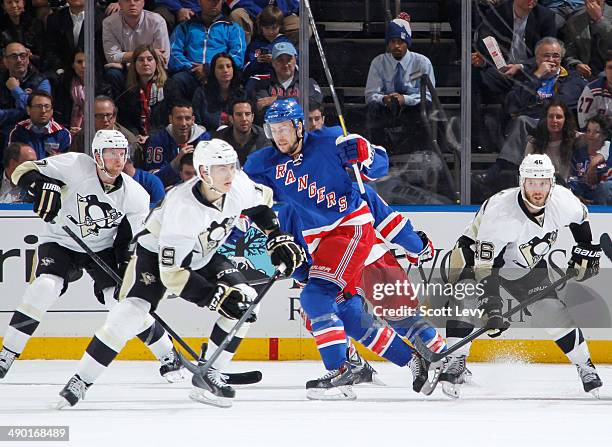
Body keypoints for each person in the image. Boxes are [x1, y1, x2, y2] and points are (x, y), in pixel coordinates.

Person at [57, 138, 305, 408]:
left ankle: (210, 372)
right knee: (128, 314)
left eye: (232, 166)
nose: (229, 174)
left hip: (204, 254)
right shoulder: (182, 209)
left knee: (247, 301)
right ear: (203, 172)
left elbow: (260, 204)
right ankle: (81, 379)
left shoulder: (238, 184)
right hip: (155, 256)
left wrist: (276, 237)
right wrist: (215, 296)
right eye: (220, 168)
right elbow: (173, 275)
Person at [243, 98, 437, 399]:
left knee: (319, 296)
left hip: (351, 230)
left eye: (285, 128)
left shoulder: (332, 140)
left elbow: (379, 166)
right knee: (347, 313)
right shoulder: (265, 164)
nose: (280, 136)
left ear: (298, 126)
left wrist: (365, 152)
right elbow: (241, 196)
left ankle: (342, 370)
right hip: (322, 244)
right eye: (273, 129)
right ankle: (414, 359)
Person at [0, 130, 184, 384]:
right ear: (97, 156)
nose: (118, 160)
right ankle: (7, 353)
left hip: (103, 250)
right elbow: (21, 171)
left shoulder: (136, 196)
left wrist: (127, 271)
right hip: (61, 242)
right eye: (111, 153)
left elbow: (131, 242)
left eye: (122, 153)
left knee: (122, 304)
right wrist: (43, 185)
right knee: (44, 287)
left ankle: (167, 354)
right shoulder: (75, 165)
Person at [441, 153, 603, 398]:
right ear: (521, 182)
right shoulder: (501, 213)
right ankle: (455, 359)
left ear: (552, 183)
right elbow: (486, 266)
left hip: (523, 262)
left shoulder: (564, 201)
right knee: (466, 293)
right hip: (476, 254)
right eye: (531, 182)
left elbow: (581, 220)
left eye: (543, 183)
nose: (537, 190)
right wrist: (492, 309)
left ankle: (585, 366)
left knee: (550, 310)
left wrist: (585, 251)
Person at [364, 15, 435, 153]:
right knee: (372, 108)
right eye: (392, 41)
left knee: (426, 108)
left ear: (407, 42)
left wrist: (405, 99)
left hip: (412, 110)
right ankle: (377, 152)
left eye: (401, 41)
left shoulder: (422, 63)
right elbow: (370, 94)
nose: (396, 46)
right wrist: (384, 99)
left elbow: (428, 96)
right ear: (388, 43)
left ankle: (421, 152)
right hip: (387, 109)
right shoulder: (378, 63)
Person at [167, 0, 246, 103]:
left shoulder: (233, 27)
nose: (214, 3)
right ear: (199, 2)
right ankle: (179, 117)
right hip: (191, 74)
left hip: (220, 76)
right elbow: (173, 53)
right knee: (176, 81)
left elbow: (238, 56)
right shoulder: (185, 26)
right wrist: (193, 69)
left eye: (217, 1)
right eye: (209, 0)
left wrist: (210, 68)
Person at [102, 0, 170, 98]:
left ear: (143, 2)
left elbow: (163, 59)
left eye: (137, 0)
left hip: (150, 69)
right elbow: (111, 56)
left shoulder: (157, 21)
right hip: (126, 71)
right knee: (112, 74)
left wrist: (126, 61)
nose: (132, 3)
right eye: (127, 0)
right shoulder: (109, 23)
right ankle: (116, 110)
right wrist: (150, 54)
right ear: (120, 3)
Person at [140, 100, 210, 187]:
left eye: (187, 118)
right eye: (179, 118)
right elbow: (152, 180)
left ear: (193, 120)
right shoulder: (158, 140)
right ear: (171, 119)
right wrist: (176, 162)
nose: (183, 123)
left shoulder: (204, 140)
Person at [251, 41, 322, 121]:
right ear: (273, 62)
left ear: (295, 59)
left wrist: (276, 99)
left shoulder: (308, 82)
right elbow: (263, 108)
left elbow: (314, 103)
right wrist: (297, 102)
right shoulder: (262, 85)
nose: (285, 64)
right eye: (280, 60)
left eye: (289, 59)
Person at [0, 41, 51, 148]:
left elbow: (39, 111)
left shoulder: (41, 81)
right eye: (14, 56)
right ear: (5, 61)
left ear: (28, 59)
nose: (19, 60)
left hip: (34, 135)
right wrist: (20, 111)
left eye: (22, 56)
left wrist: (16, 90)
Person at [116, 44, 169, 138]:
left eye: (149, 59)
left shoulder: (168, 87)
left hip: (161, 137)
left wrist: (151, 136)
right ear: (134, 64)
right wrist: (136, 135)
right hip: (136, 138)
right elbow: (125, 121)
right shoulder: (127, 91)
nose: (145, 63)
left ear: (156, 63)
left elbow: (169, 120)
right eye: (141, 60)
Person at [524, 98, 580, 183]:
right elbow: (527, 172)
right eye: (550, 116)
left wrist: (598, 158)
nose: (554, 121)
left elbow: (603, 142)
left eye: (559, 117)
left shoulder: (576, 138)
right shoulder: (533, 144)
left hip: (568, 189)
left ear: (565, 119)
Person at [8, 90, 72, 159]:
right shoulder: (18, 132)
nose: (43, 111)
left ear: (52, 110)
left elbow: (66, 163)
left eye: (47, 106)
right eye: (38, 106)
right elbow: (13, 161)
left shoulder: (63, 134)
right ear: (28, 110)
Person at [192, 52, 245, 130]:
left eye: (228, 66)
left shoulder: (241, 93)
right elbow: (196, 123)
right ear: (213, 71)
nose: (225, 70)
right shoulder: (201, 93)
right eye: (220, 67)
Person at [70, 96, 139, 155]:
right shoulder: (82, 137)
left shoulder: (128, 140)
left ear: (114, 117)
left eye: (108, 115)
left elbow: (132, 168)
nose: (105, 120)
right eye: (99, 116)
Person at [242, 5, 293, 84]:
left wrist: (276, 61)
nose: (270, 31)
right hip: (258, 81)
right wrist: (257, 61)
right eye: (267, 28)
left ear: (280, 26)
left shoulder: (286, 44)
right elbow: (245, 69)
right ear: (261, 27)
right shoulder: (255, 44)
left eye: (274, 28)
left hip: (279, 81)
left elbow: (295, 67)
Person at [561, 0, 611, 79]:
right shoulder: (575, 19)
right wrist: (576, 64)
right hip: (586, 74)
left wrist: (599, 20)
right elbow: (569, 53)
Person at [568, 115, 612, 203]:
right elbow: (572, 179)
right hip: (582, 200)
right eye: (588, 131)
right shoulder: (578, 155)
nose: (591, 135)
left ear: (604, 135)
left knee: (605, 187)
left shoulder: (609, 151)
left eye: (596, 132)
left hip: (605, 203)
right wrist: (577, 196)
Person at [213, 99, 270, 164]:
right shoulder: (219, 138)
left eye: (247, 114)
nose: (244, 119)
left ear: (252, 117)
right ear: (231, 118)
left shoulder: (264, 137)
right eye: (239, 114)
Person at [227, 0, 299, 45]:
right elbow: (233, 1)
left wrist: (276, 14)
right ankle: (242, 61)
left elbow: (296, 3)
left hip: (280, 15)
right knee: (237, 15)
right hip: (251, 13)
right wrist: (262, 13)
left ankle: (289, 62)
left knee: (302, 27)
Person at [53, 50, 85, 136]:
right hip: (67, 132)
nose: (83, 66)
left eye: (87, 61)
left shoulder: (103, 87)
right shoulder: (63, 84)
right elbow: (59, 113)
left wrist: (84, 132)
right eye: (79, 62)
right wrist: (66, 131)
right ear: (73, 65)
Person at [577, 52, 612, 129]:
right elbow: (584, 124)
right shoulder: (591, 90)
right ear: (605, 71)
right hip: (599, 136)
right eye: (610, 68)